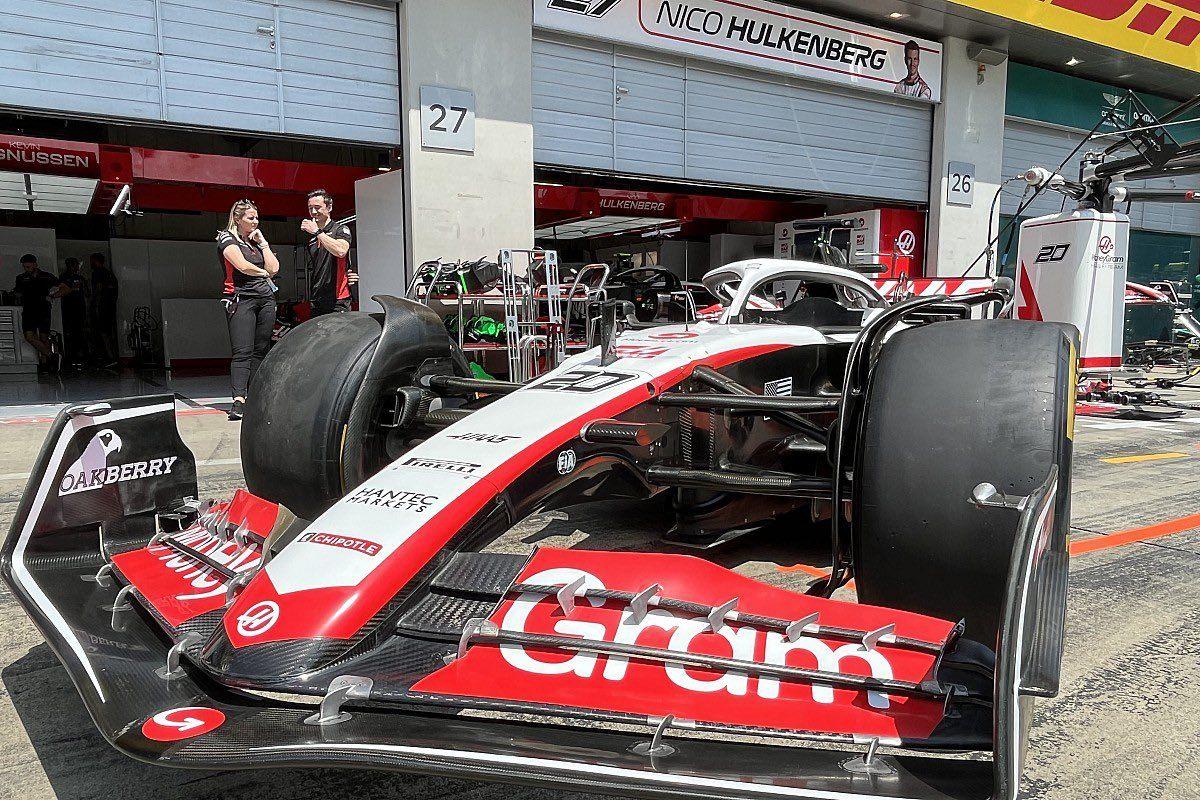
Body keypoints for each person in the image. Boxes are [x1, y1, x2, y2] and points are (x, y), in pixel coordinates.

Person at [218, 199, 279, 420]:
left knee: (261, 350)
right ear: (237, 218)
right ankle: (239, 400)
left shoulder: (255, 242)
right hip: (241, 299)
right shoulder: (226, 238)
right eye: (250, 218)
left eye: (257, 218)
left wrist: (263, 243)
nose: (255, 222)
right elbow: (242, 266)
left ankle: (255, 397)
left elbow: (274, 267)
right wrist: (264, 273)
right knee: (242, 351)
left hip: (265, 299)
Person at [301, 188, 356, 315]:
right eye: (310, 208)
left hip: (338, 299)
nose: (313, 212)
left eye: (317, 207)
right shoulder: (311, 238)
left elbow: (341, 251)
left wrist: (317, 232)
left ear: (329, 207)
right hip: (317, 298)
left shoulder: (340, 229)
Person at [12, 254, 60, 372]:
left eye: (28, 266)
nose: (26, 269)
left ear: (35, 264)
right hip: (29, 309)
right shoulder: (21, 278)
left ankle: (47, 364)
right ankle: (52, 356)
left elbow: (60, 286)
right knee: (29, 337)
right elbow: (17, 292)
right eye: (25, 267)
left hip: (43, 308)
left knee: (44, 337)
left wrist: (53, 295)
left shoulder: (46, 276)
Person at [57, 258, 89, 369]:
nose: (76, 268)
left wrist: (84, 285)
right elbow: (59, 291)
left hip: (79, 309)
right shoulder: (62, 278)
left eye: (76, 266)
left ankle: (80, 356)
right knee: (68, 333)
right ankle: (68, 357)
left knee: (79, 332)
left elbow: (87, 293)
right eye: (74, 265)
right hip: (67, 309)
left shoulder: (80, 278)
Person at [89, 252, 119, 369]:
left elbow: (98, 288)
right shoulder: (110, 274)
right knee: (109, 331)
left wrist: (94, 303)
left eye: (91, 261)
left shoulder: (97, 273)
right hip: (111, 306)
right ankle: (113, 356)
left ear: (95, 261)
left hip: (101, 306)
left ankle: (109, 357)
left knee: (102, 332)